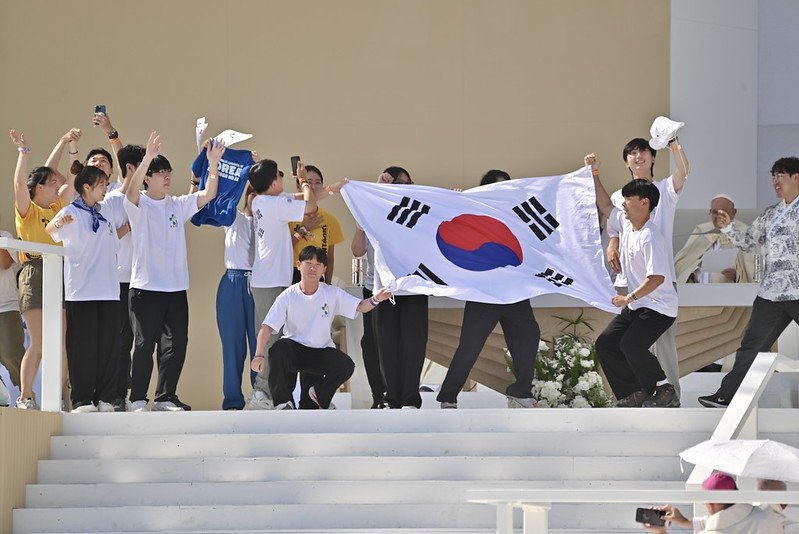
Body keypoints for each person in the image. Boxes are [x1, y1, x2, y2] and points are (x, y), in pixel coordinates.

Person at [124, 132, 222, 412]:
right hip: (145, 288)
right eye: (160, 173)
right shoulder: (138, 204)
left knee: (176, 344)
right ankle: (138, 398)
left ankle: (166, 397)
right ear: (147, 177)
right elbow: (130, 191)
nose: (167, 177)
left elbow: (208, 194)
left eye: (168, 172)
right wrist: (147, 158)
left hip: (176, 288)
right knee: (144, 345)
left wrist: (212, 163)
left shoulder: (177, 205)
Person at [698, 157, 799, 408]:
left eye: (781, 176)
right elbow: (748, 244)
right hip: (771, 293)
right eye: (773, 176)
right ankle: (727, 396)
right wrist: (728, 227)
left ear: (797, 177)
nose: (775, 181)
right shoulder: (771, 213)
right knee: (751, 346)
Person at [436, 169, 539, 409]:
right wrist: (455, 202)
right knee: (470, 345)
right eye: (496, 187)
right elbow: (451, 224)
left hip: (515, 292)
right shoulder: (474, 210)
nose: (502, 192)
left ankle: (521, 391)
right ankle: (448, 396)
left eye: (506, 187)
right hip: (483, 292)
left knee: (528, 337)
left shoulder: (517, 214)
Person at [600, 137, 689, 402]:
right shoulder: (621, 198)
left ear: (653, 158)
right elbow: (610, 215)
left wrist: (673, 143)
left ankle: (669, 393)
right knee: (620, 344)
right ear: (626, 161)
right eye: (631, 153)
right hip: (632, 285)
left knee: (655, 347)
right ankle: (637, 393)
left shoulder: (662, 191)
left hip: (658, 287)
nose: (637, 157)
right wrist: (612, 243)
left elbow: (683, 171)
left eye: (643, 153)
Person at [250, 246, 391, 410]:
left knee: (345, 365)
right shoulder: (288, 295)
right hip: (294, 351)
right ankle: (283, 402)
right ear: (299, 265)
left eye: (318, 265)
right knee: (277, 350)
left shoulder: (331, 293)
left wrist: (377, 299)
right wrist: (258, 355)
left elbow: (360, 306)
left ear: (324, 269)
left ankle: (319, 394)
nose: (312, 268)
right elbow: (266, 327)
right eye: (308, 263)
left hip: (320, 351)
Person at [593, 178, 680, 407]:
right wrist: (594, 172)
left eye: (628, 200)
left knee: (631, 345)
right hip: (638, 306)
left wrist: (628, 298)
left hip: (659, 308)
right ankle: (635, 392)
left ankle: (664, 388)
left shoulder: (651, 237)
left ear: (644, 203)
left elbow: (657, 278)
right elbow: (605, 206)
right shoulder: (625, 222)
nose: (623, 205)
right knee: (605, 344)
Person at [10, 128, 80, 409]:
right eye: (52, 184)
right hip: (35, 274)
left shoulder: (55, 207)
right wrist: (23, 153)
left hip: (59, 272)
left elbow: (52, 173)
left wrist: (63, 142)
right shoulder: (28, 210)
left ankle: (59, 397)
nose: (58, 186)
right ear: (39, 187)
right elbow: (20, 185)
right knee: (38, 342)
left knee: (60, 343)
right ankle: (26, 396)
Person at [46, 165, 123, 412]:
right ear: (87, 187)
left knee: (109, 347)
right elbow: (51, 231)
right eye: (101, 185)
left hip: (109, 290)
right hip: (82, 291)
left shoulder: (107, 212)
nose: (105, 189)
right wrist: (58, 225)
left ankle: (106, 398)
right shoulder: (71, 211)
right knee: (82, 347)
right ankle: (82, 399)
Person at [245, 159, 320, 410]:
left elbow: (302, 197)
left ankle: (273, 393)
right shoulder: (274, 204)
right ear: (273, 181)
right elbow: (309, 205)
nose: (282, 178)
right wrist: (305, 180)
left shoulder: (260, 201)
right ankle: (260, 393)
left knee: (278, 338)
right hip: (270, 282)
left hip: (271, 280)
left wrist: (327, 189)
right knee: (270, 337)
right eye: (280, 175)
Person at [371, 166, 430, 409]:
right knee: (387, 346)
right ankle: (391, 398)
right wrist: (379, 187)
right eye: (399, 183)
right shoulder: (376, 206)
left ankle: (410, 399)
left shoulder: (421, 208)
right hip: (386, 290)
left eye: (409, 182)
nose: (405, 187)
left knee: (413, 346)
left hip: (415, 287)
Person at [288, 164, 345, 409]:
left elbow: (329, 255)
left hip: (319, 284)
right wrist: (304, 230)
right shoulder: (288, 214)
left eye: (317, 182)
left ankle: (308, 401)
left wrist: (328, 284)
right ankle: (284, 398)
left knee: (314, 338)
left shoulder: (330, 220)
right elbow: (283, 248)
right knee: (291, 339)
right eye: (307, 181)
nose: (311, 186)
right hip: (292, 279)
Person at [217, 185, 258, 410]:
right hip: (233, 281)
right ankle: (232, 400)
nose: (255, 198)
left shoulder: (268, 221)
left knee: (258, 343)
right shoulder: (234, 217)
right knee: (232, 345)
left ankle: (260, 394)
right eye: (252, 193)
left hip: (259, 283)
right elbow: (223, 196)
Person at [642, 472, 784, 533]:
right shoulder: (767, 516)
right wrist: (684, 521)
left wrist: (660, 532)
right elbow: (733, 520)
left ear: (711, 505)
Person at [674, 195, 755, 284]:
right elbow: (682, 262)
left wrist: (737, 275)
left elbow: (752, 269)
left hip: (729, 291)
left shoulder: (745, 233)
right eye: (715, 212)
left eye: (723, 212)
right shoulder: (701, 230)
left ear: (733, 212)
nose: (718, 217)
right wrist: (693, 273)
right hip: (697, 289)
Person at [0, 231, 24, 401]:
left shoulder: (4, 235)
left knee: (11, 353)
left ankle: (27, 396)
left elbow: (5, 262)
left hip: (6, 307)